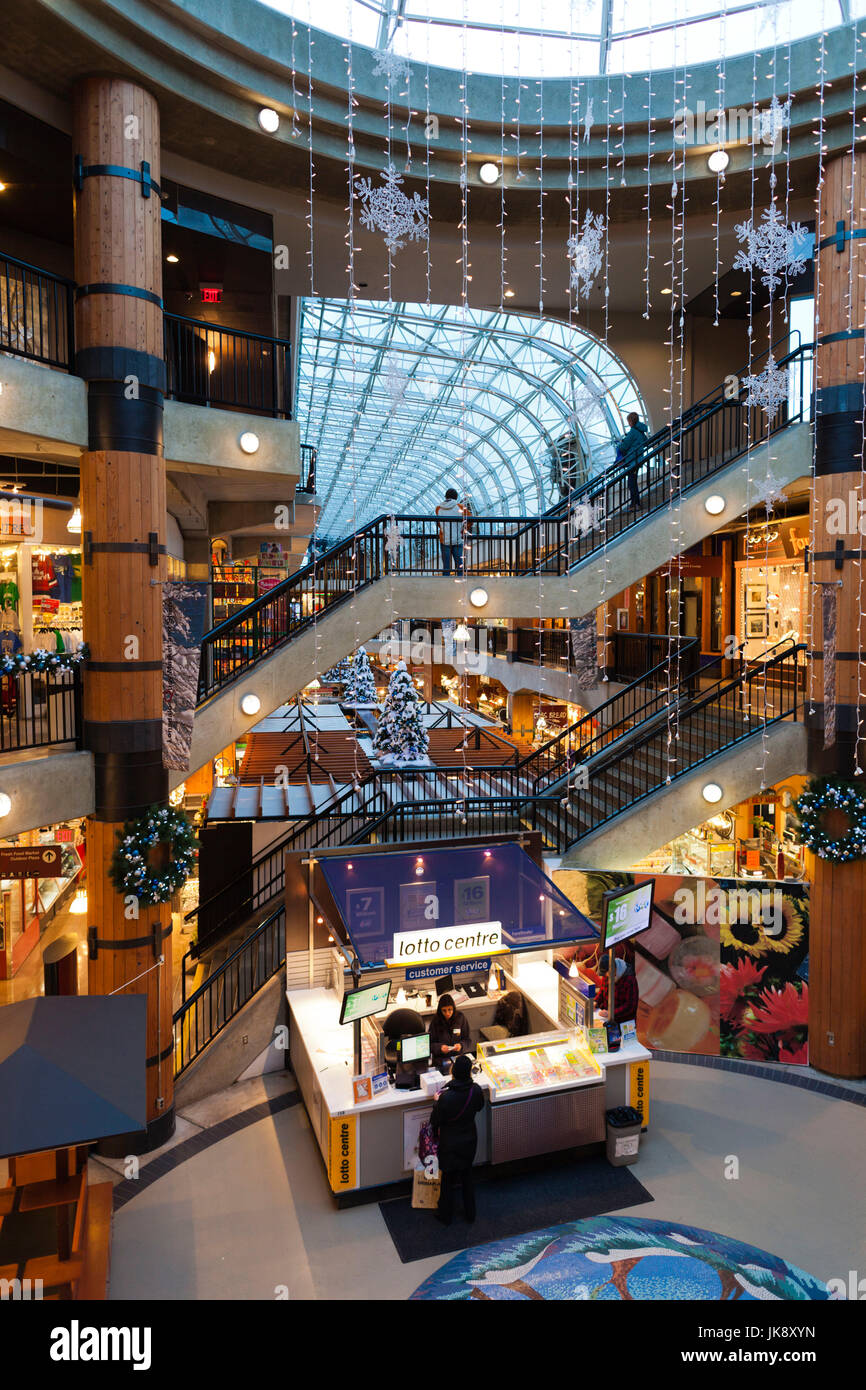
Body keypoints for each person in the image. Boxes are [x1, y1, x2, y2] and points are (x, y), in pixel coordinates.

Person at [430, 1053, 484, 1225]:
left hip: (450, 1144)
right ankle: (470, 1214)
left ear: (454, 1073)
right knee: (467, 1177)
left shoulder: (446, 1097)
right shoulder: (475, 1090)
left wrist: (436, 1103)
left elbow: (435, 1121)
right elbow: (480, 1107)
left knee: (448, 1180)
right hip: (469, 1141)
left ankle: (445, 1215)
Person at [428, 992, 472, 1070]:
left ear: (453, 1008)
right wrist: (440, 1048)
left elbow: (468, 1040)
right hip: (441, 1059)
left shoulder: (460, 1018)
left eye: (450, 1010)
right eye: (444, 1010)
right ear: (440, 1010)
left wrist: (461, 1045)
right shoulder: (435, 1021)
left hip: (457, 1058)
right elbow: (429, 1044)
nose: (447, 1013)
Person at [596, 951, 640, 1024]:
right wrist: (596, 1002)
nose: (606, 976)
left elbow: (630, 1006)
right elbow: (603, 990)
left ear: (614, 968)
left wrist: (611, 1013)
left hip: (624, 1022)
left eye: (607, 973)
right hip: (607, 1018)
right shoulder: (607, 975)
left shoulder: (630, 979)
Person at [618, 412, 649, 509]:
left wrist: (620, 445)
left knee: (631, 484)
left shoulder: (632, 432)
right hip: (638, 459)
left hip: (632, 460)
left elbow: (624, 447)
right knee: (633, 482)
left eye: (629, 421)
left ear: (631, 421)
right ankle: (636, 503)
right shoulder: (640, 432)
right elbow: (645, 442)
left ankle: (635, 504)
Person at [435, 488, 468, 577]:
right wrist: (463, 529)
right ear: (456, 497)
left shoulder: (438, 508)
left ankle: (446, 586)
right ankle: (461, 583)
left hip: (444, 540)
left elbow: (439, 523)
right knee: (459, 565)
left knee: (446, 566)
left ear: (446, 496)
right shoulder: (460, 507)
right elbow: (470, 519)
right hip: (457, 539)